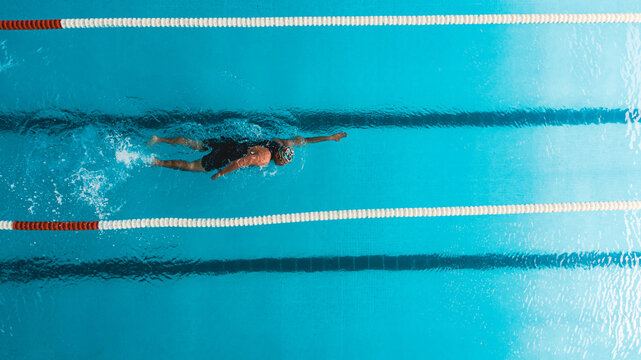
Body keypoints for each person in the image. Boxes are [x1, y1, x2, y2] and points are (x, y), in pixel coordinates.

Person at [148, 132, 347, 180]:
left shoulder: (279, 143)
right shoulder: (264, 158)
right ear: (278, 158)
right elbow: (242, 162)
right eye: (283, 162)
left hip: (231, 142)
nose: (282, 164)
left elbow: (304, 140)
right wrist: (221, 173)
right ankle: (157, 162)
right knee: (192, 166)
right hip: (227, 155)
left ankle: (160, 139)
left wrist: (330, 137)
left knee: (196, 144)